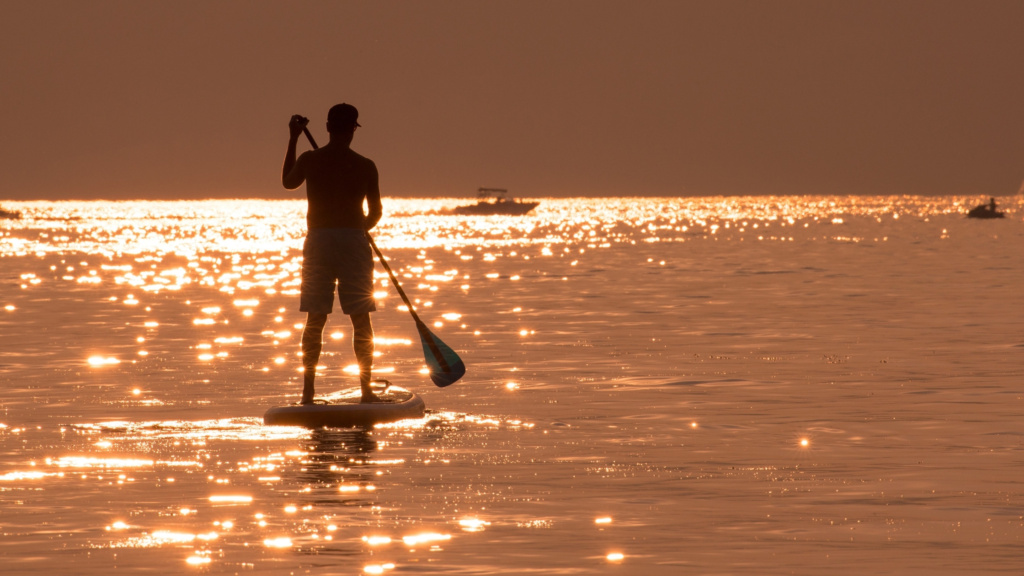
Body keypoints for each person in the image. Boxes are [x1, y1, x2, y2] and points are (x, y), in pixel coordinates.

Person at [282, 103, 383, 404]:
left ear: (327, 128)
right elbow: (376, 212)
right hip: (353, 242)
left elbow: (288, 182)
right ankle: (366, 391)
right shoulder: (366, 165)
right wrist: (357, 228)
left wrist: (293, 138)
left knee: (315, 318)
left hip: (319, 243)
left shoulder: (311, 159)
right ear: (353, 129)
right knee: (361, 319)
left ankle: (307, 394)